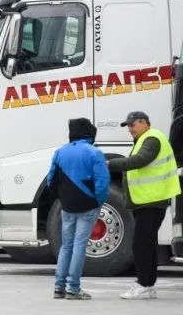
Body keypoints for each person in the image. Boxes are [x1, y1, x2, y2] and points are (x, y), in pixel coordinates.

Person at [107, 111, 181, 300]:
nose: (130, 129)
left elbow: (140, 161)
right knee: (147, 244)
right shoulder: (146, 139)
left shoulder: (152, 139)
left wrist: (108, 164)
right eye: (129, 126)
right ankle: (148, 285)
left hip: (152, 200)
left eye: (133, 124)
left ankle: (142, 284)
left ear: (145, 123)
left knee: (140, 245)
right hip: (147, 200)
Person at [44, 118, 110, 300]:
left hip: (67, 206)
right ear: (89, 133)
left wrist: (63, 197)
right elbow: (103, 182)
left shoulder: (60, 153)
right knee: (80, 246)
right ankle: (73, 287)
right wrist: (99, 201)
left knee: (66, 245)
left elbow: (51, 181)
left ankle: (59, 287)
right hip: (88, 205)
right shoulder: (94, 153)